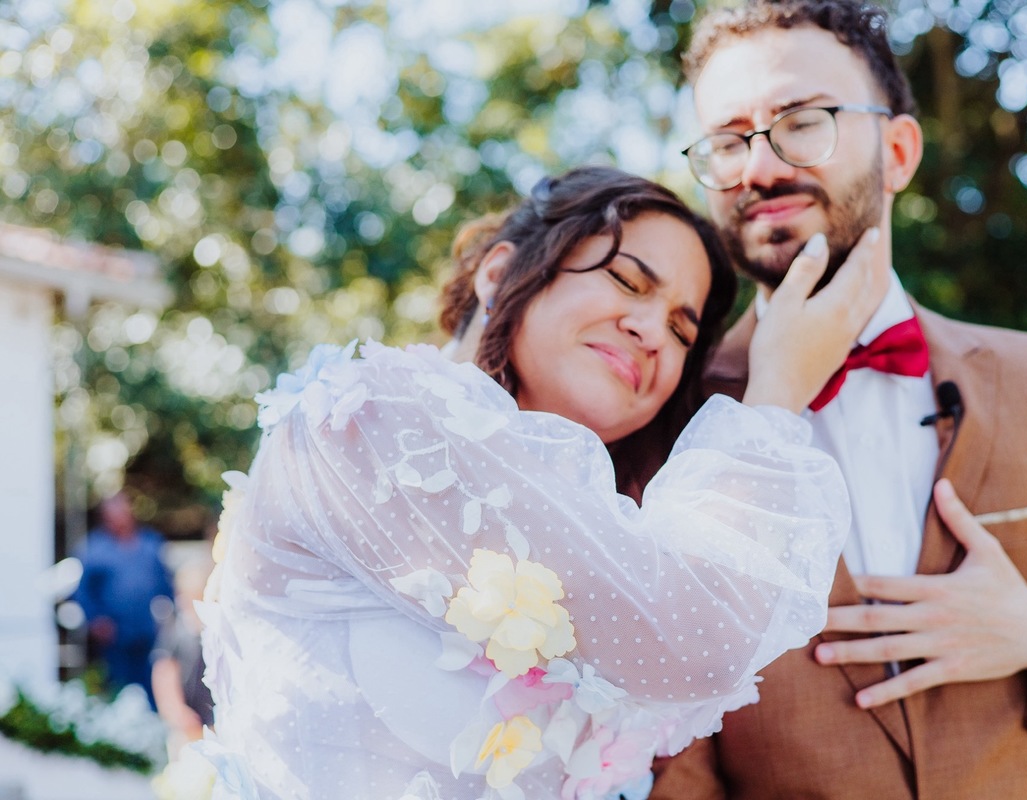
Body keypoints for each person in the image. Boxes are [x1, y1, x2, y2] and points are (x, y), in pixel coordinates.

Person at [197, 166, 891, 799]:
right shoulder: (368, 418)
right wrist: (775, 393)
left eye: (682, 329)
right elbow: (696, 633)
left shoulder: (605, 524)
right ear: (500, 274)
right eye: (627, 280)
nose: (652, 329)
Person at [650, 2, 1027, 798]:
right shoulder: (663, 413)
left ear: (899, 149)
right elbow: (663, 745)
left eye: (802, 121)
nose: (759, 168)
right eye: (729, 140)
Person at [72, 490, 174, 704]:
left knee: (153, 684)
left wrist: (169, 617)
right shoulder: (95, 548)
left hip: (148, 629)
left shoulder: (150, 543)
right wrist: (95, 620)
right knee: (119, 688)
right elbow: (82, 591)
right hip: (114, 633)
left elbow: (166, 584)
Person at [151, 555, 216, 760]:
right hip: (188, 722)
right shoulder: (175, 631)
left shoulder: (215, 631)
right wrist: (176, 711)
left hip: (217, 720)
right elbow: (164, 673)